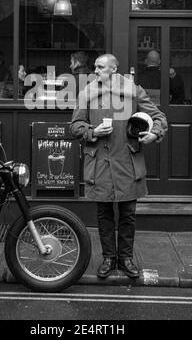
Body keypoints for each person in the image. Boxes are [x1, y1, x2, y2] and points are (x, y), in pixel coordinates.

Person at [70, 54, 167, 279]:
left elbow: (159, 117)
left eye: (101, 67)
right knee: (104, 213)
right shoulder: (87, 92)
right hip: (100, 163)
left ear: (114, 69)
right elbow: (75, 126)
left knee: (128, 214)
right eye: (95, 67)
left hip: (127, 161)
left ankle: (126, 258)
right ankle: (108, 258)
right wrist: (92, 132)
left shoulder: (133, 90)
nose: (96, 70)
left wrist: (154, 133)